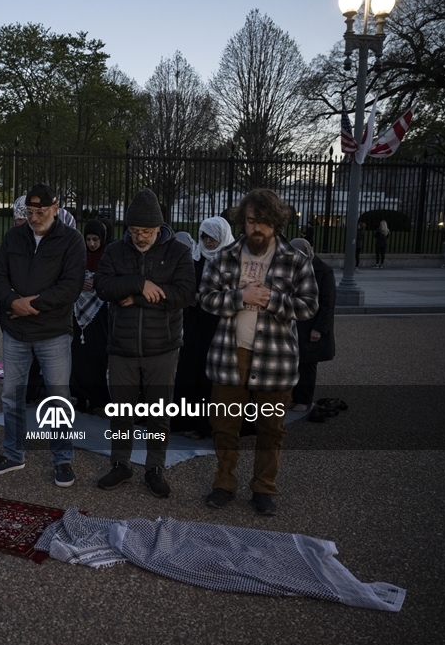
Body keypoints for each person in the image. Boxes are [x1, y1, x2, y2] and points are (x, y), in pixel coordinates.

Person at [200, 189, 318, 516]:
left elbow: (309, 306)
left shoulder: (295, 260)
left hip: (275, 359)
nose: (257, 229)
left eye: (264, 223)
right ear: (243, 220)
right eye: (251, 221)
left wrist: (271, 300)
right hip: (230, 354)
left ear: (276, 224)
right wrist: (241, 296)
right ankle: (223, 483)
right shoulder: (227, 256)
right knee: (224, 425)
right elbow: (206, 297)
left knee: (270, 429)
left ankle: (263, 489)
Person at [93, 189, 196, 498]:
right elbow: (102, 286)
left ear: (158, 228)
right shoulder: (114, 250)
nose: (139, 237)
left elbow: (185, 294)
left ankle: (154, 468)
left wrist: (136, 297)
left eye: (146, 232)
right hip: (122, 347)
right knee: (121, 412)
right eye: (135, 231)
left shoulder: (178, 252)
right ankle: (121, 463)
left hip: (162, 347)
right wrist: (141, 283)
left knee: (158, 412)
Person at [0, 183, 86, 486]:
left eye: (40, 211)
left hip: (52, 331)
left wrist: (33, 305)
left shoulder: (71, 240)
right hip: (16, 331)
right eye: (29, 212)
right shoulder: (14, 237)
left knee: (57, 397)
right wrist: (12, 302)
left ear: (55, 209)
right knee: (12, 396)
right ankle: (13, 453)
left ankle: (63, 458)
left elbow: (71, 286)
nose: (34, 217)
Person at [171, 217, 235, 439]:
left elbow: (234, 292)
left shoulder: (230, 261)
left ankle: (206, 426)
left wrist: (207, 297)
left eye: (212, 237)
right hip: (195, 322)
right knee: (189, 371)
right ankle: (184, 423)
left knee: (211, 376)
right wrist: (193, 296)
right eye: (204, 236)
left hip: (218, 325)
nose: (208, 241)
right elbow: (185, 284)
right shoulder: (196, 259)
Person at [70, 220, 112, 414]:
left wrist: (96, 282)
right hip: (78, 310)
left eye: (96, 239)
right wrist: (80, 282)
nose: (92, 244)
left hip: (99, 312)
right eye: (88, 239)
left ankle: (97, 398)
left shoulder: (107, 256)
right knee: (78, 354)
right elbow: (69, 274)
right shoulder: (79, 254)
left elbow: (111, 279)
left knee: (97, 355)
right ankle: (80, 395)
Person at [290, 238, 335, 411]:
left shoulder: (324, 270)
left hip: (311, 325)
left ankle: (304, 400)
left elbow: (328, 303)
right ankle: (295, 397)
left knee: (307, 364)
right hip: (297, 322)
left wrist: (319, 328)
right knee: (295, 363)